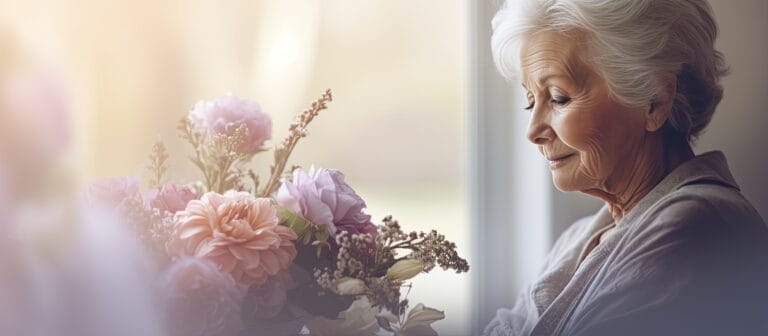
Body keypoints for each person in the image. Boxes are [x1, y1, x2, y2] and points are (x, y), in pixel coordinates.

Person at [483, 0, 768, 335]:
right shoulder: (579, 238)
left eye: (559, 98)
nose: (532, 131)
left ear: (654, 102)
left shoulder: (697, 229)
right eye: (531, 101)